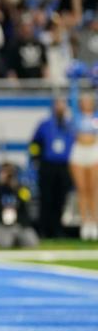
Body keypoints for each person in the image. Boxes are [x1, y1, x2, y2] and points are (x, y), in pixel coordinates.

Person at [29, 98, 75, 238]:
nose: (60, 108)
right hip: (48, 165)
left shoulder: (70, 125)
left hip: (64, 165)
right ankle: (43, 229)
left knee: (60, 198)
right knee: (46, 198)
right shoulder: (45, 125)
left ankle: (57, 229)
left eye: (62, 105)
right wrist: (36, 158)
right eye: (58, 105)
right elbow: (35, 143)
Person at [0, 162, 38, 249]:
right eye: (5, 172)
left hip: (19, 224)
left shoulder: (20, 187)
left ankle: (17, 240)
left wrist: (16, 186)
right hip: (3, 225)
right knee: (5, 244)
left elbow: (27, 198)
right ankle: (14, 240)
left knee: (32, 243)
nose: (8, 175)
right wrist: (0, 183)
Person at [69, 91, 98, 240]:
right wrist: (74, 81)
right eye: (84, 101)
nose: (86, 103)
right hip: (79, 152)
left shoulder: (96, 116)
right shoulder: (76, 116)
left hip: (94, 151)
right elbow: (72, 98)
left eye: (89, 101)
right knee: (82, 189)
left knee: (93, 189)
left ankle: (94, 222)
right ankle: (85, 223)